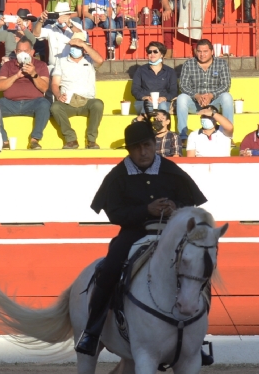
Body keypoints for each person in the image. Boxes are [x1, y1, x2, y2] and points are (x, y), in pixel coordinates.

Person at [73, 119, 207, 355]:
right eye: (136, 148)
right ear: (129, 150)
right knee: (109, 268)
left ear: (154, 144)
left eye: (146, 145)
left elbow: (190, 203)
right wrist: (147, 210)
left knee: (198, 266)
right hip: (134, 232)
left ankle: (197, 337)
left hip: (172, 233)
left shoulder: (171, 170)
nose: (142, 152)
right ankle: (93, 331)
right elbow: (114, 213)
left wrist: (176, 206)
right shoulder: (118, 175)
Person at [49, 33, 104, 149]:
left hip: (87, 101)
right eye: (73, 45)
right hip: (68, 101)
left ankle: (91, 140)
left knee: (98, 104)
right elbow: (54, 84)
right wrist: (58, 95)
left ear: (84, 48)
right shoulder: (61, 61)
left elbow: (100, 60)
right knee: (55, 107)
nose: (76, 48)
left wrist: (83, 44)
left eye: (78, 46)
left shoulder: (90, 61)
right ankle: (71, 139)